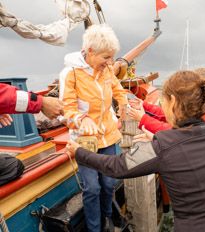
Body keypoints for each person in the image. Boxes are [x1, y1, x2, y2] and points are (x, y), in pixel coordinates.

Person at [66, 70, 205, 232]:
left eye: (163, 101)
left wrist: (79, 152)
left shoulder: (165, 146)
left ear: (173, 101)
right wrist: (156, 139)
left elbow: (117, 166)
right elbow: (187, 143)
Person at [60, 24, 128, 232]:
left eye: (111, 58)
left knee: (108, 184)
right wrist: (82, 119)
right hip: (84, 140)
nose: (110, 63)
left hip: (106, 136)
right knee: (92, 188)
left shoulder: (106, 70)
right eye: (106, 57)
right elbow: (67, 109)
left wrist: (123, 102)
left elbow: (117, 88)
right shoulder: (71, 73)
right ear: (90, 51)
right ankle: (94, 228)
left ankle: (107, 218)